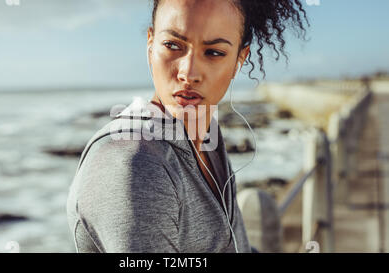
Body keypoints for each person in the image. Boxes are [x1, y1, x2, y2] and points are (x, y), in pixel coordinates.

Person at [67, 0, 309, 253]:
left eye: (214, 52)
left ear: (240, 58)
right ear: (150, 45)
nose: (188, 72)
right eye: (173, 45)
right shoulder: (135, 161)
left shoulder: (207, 136)